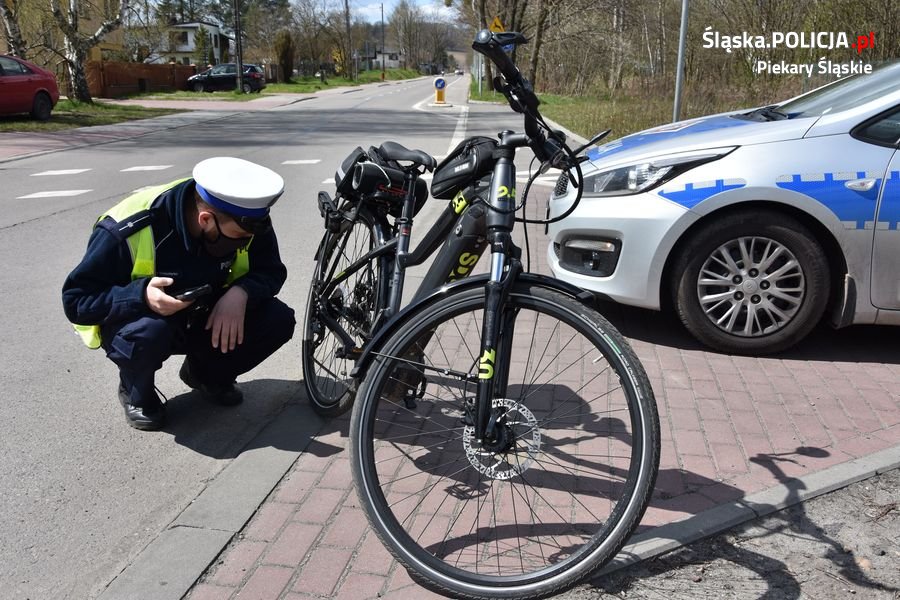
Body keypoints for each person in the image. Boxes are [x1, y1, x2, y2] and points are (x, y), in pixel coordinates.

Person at [62, 157, 296, 431]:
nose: (245, 243)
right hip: (150, 323)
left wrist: (241, 292)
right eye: (239, 238)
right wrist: (141, 296)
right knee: (148, 332)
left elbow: (272, 270)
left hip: (205, 314)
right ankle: (136, 390)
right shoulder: (129, 227)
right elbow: (77, 300)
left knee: (277, 320)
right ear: (205, 219)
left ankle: (205, 375)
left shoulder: (245, 220)